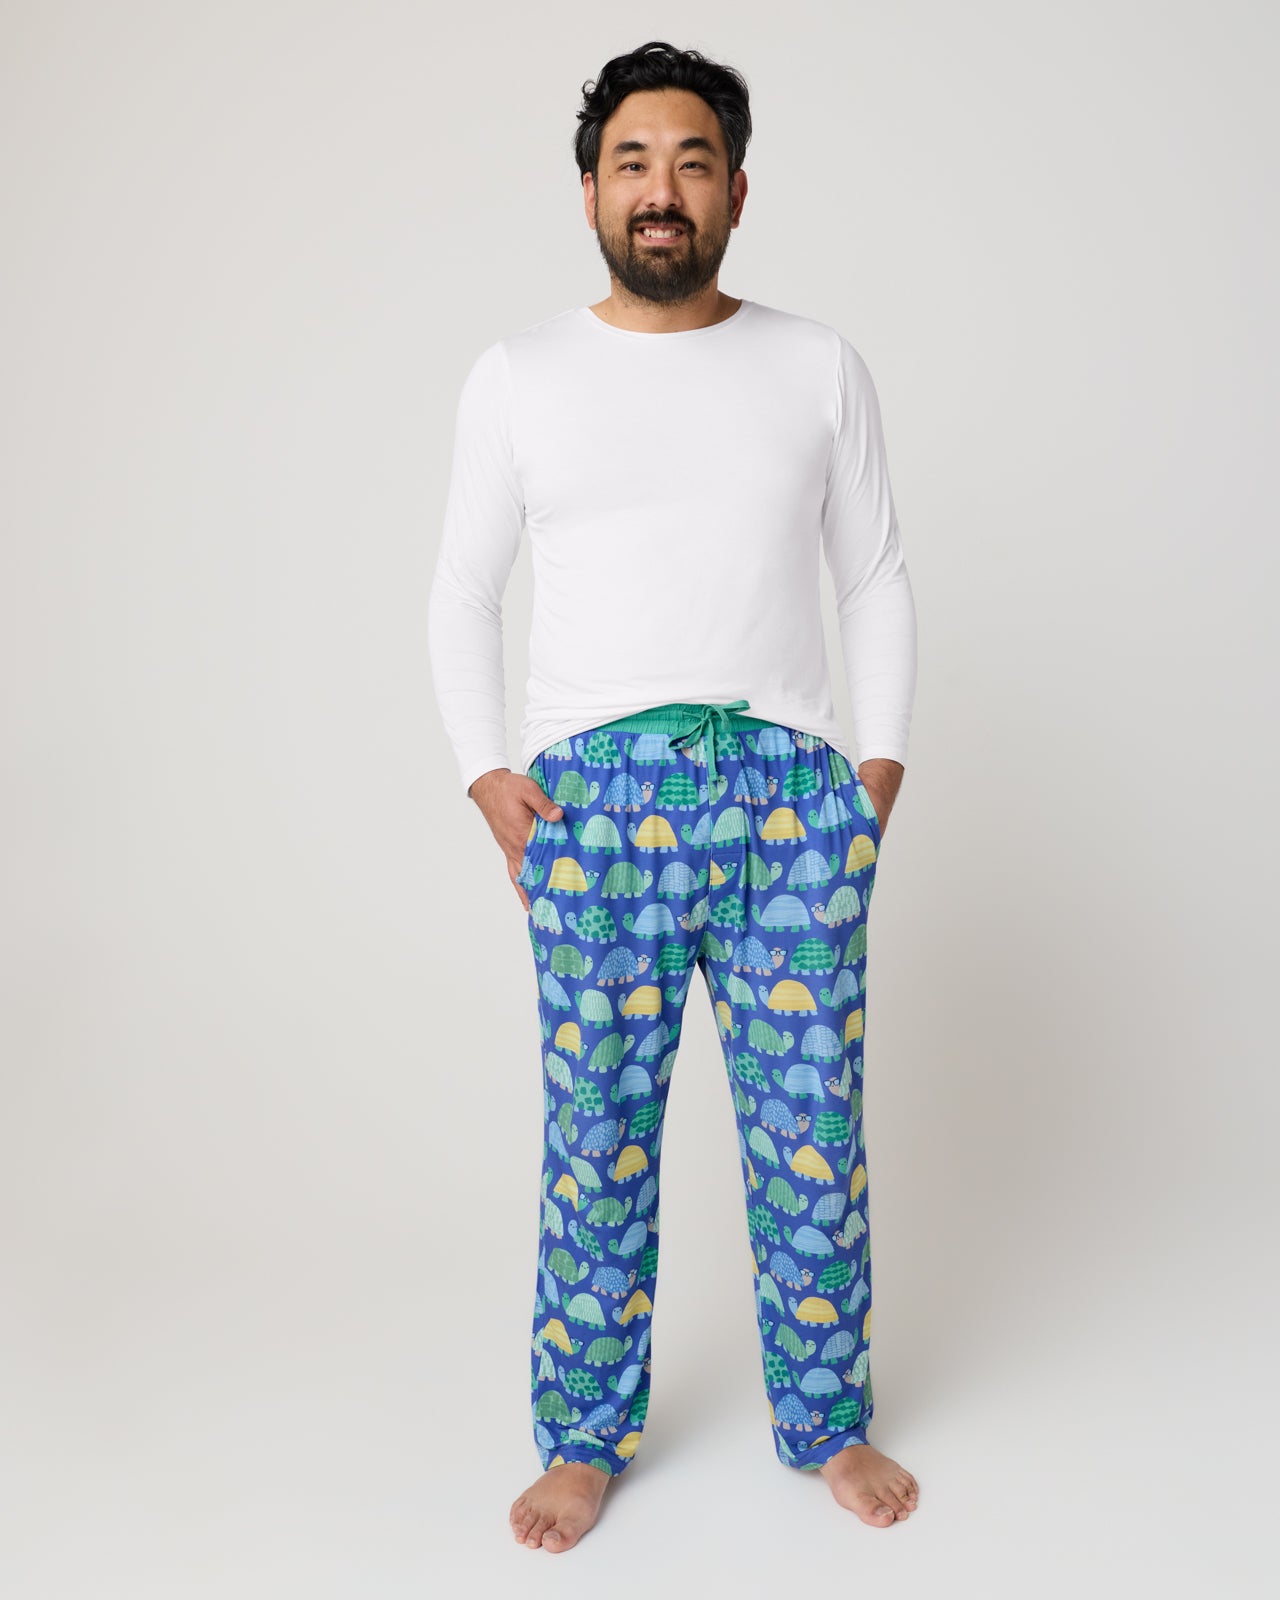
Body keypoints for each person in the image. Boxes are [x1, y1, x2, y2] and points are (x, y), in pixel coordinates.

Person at [427, 40, 920, 1553]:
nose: (662, 190)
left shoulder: (816, 366)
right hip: (594, 805)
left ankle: (829, 1421)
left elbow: (874, 575)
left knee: (811, 1129)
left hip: (788, 798)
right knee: (597, 1133)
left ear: (737, 192)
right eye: (632, 162)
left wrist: (876, 775)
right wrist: (489, 775)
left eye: (692, 162)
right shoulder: (520, 377)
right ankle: (584, 1438)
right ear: (588, 191)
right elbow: (461, 588)